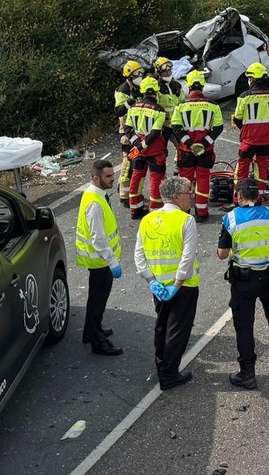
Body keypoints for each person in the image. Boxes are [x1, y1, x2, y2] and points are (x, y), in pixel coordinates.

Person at [217, 179, 269, 389]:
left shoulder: (231, 218)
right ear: (258, 196)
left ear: (239, 196)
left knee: (244, 327)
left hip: (244, 280)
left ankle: (247, 374)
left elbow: (222, 254)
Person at [137, 175, 200, 389]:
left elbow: (139, 255)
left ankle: (161, 366)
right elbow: (187, 256)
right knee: (178, 331)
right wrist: (179, 282)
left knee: (162, 326)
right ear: (175, 196)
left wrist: (151, 280)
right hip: (182, 287)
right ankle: (170, 374)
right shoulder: (186, 220)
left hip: (159, 287)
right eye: (188, 193)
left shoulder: (147, 219)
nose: (191, 197)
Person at [75, 159, 125, 356]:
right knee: (97, 300)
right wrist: (112, 262)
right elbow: (98, 238)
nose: (113, 179)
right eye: (108, 176)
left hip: (99, 259)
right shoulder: (95, 204)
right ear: (96, 177)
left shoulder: (94, 195)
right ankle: (98, 342)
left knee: (96, 299)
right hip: (100, 261)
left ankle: (90, 331)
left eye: (113, 174)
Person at [170, 69, 225, 221]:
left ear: (188, 86)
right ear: (202, 86)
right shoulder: (213, 106)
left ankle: (184, 211)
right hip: (205, 150)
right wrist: (202, 144)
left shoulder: (181, 106)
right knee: (203, 180)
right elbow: (218, 128)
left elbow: (176, 128)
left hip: (186, 150)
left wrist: (190, 144)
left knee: (184, 181)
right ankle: (201, 212)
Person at [125, 78, 169, 217]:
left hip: (138, 151)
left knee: (137, 177)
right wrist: (143, 145)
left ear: (142, 91)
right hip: (154, 151)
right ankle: (155, 211)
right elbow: (155, 132)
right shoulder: (159, 110)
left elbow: (128, 128)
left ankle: (134, 209)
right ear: (156, 92)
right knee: (156, 179)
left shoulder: (133, 108)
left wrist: (137, 144)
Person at [233, 63, 269, 183]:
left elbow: (237, 118)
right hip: (267, 139)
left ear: (252, 79)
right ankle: (261, 194)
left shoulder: (244, 97)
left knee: (242, 168)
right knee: (262, 169)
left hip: (249, 140)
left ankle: (240, 195)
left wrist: (246, 129)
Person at [115, 61, 144, 199]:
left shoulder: (141, 87)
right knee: (128, 165)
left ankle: (136, 193)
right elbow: (119, 111)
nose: (140, 76)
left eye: (140, 73)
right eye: (136, 74)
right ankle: (124, 195)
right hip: (127, 133)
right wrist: (131, 100)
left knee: (139, 165)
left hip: (140, 131)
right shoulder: (123, 90)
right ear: (129, 76)